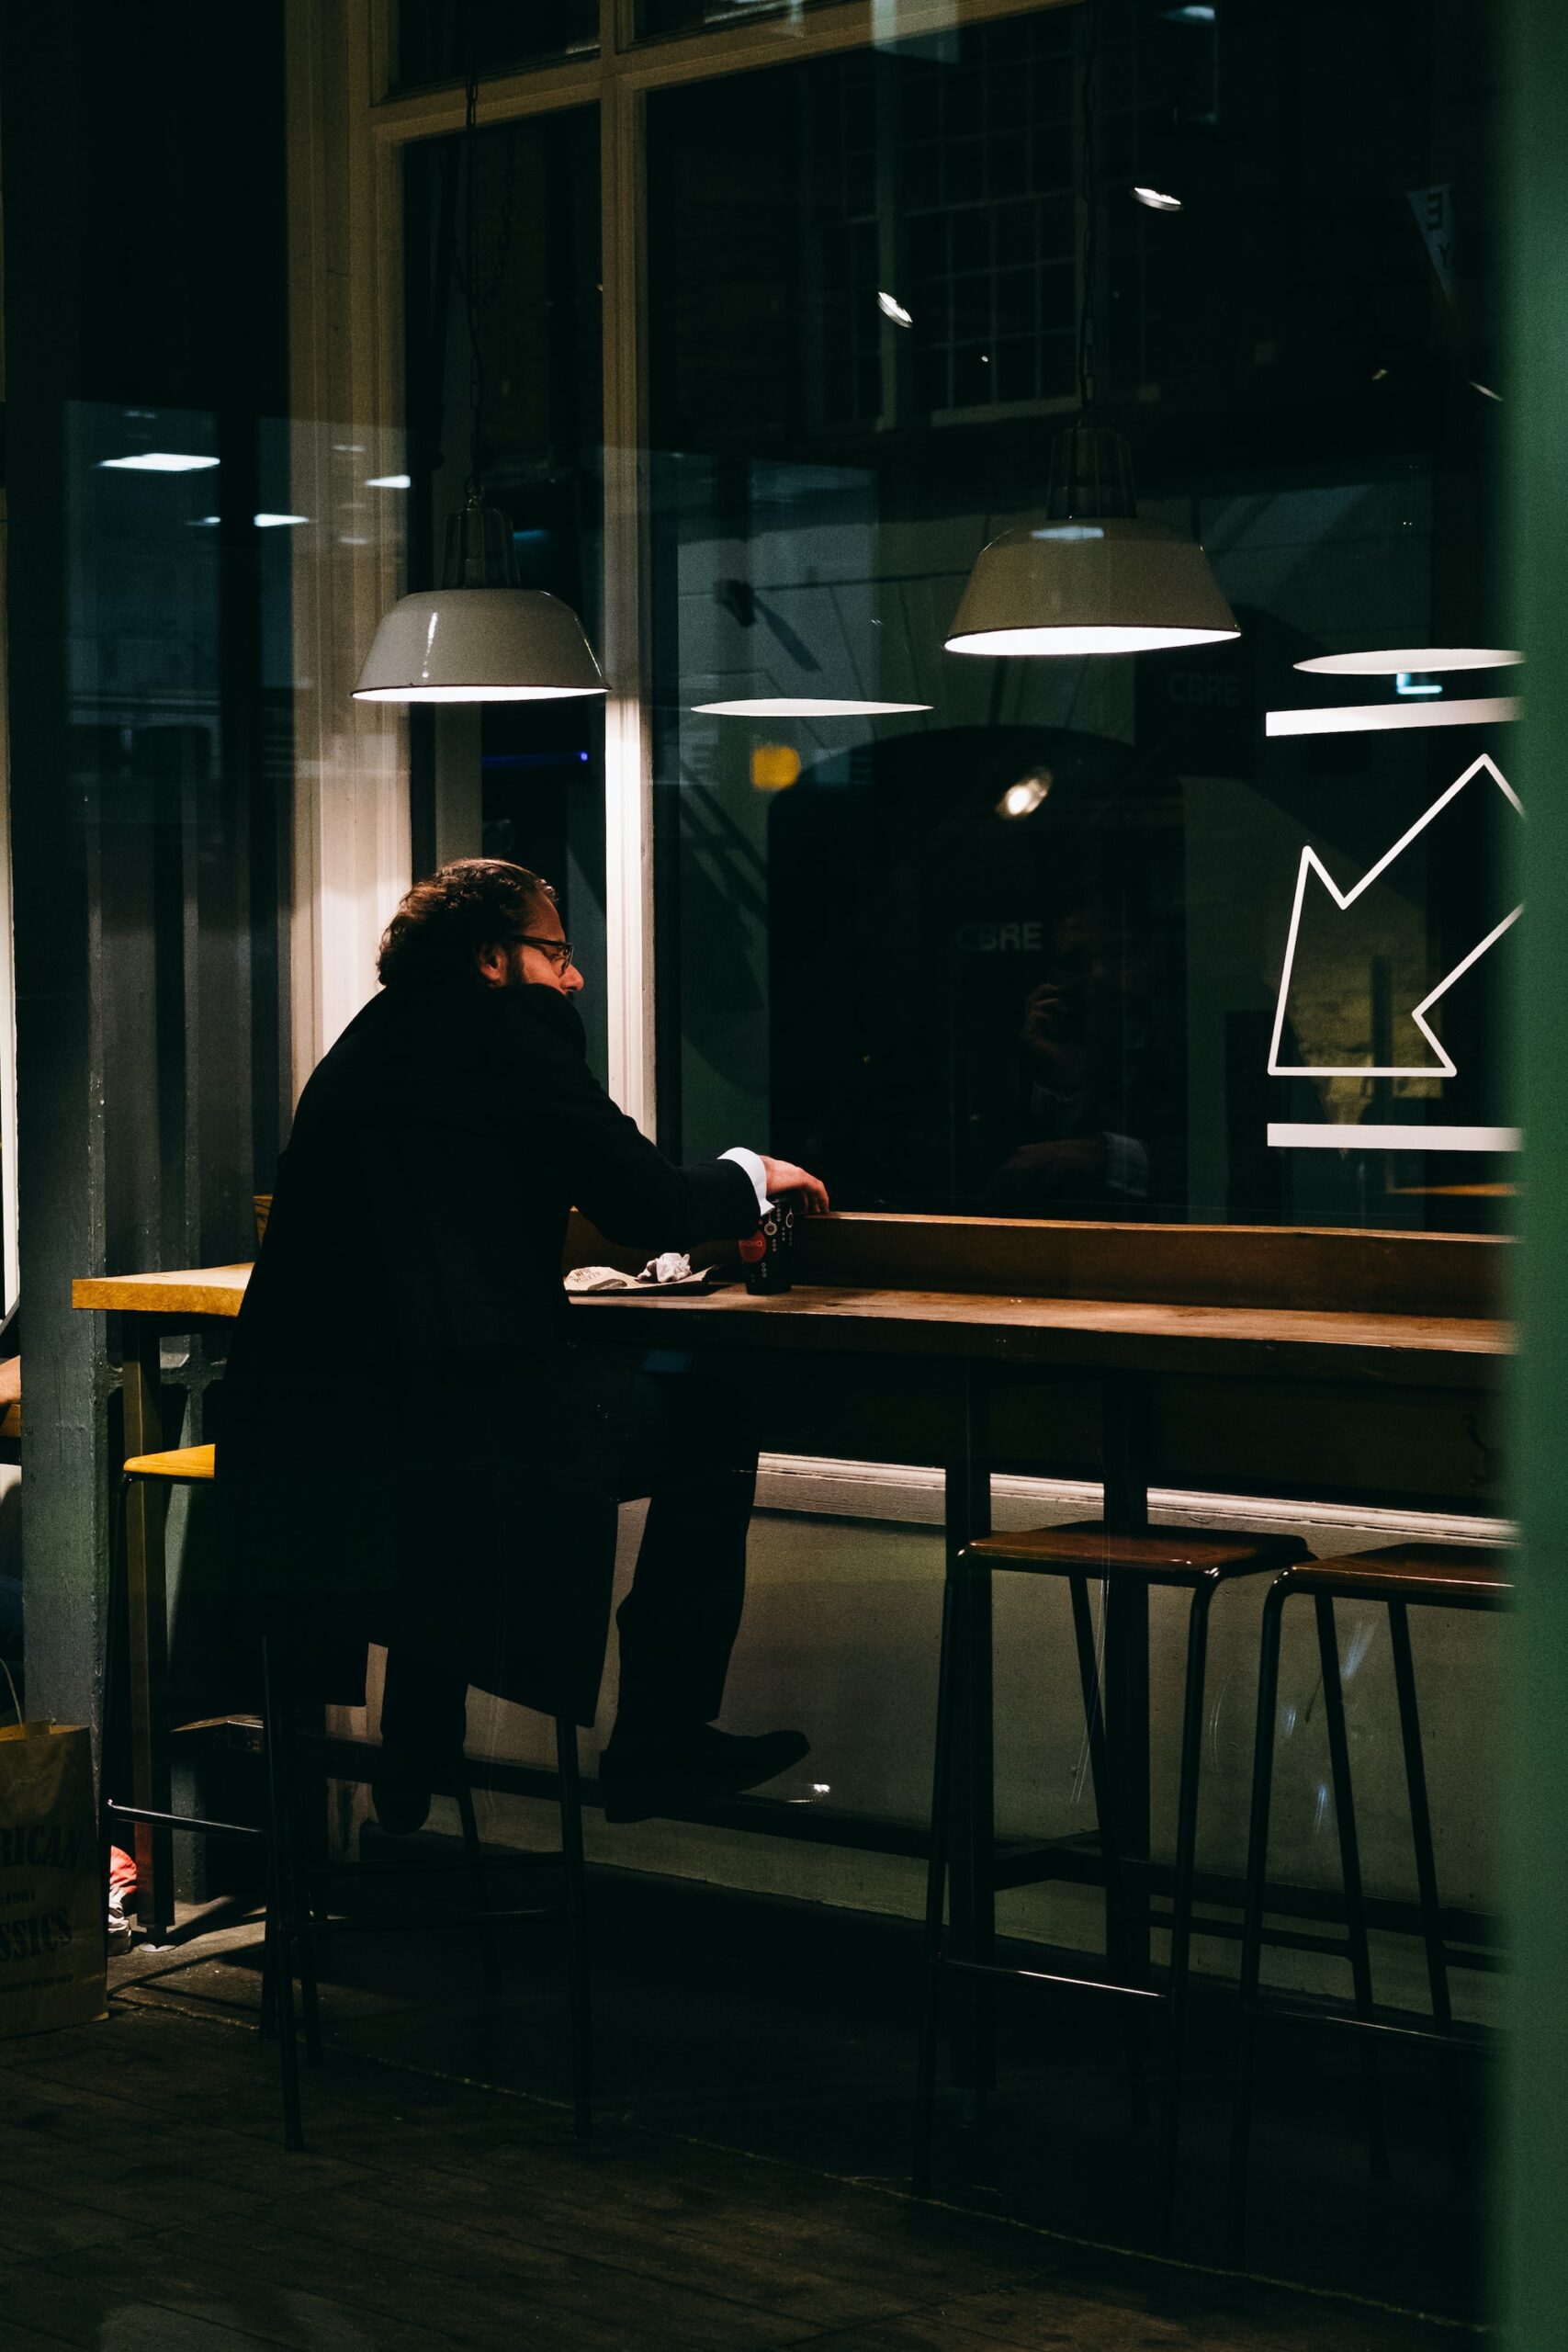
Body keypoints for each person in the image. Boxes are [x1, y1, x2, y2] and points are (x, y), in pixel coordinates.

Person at [218, 857, 829, 1829]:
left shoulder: (365, 1041)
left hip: (334, 1443)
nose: (575, 977)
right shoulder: (511, 1029)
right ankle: (658, 1738)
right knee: (711, 1425)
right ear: (494, 958)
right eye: (557, 950)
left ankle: (420, 1750)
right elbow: (643, 1203)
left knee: (447, 1488)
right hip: (463, 1432)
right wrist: (752, 1173)